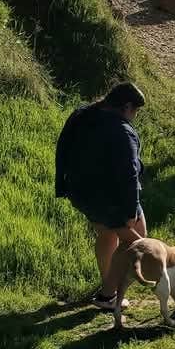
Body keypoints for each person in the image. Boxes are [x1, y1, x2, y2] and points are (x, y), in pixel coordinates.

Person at [55, 82, 148, 311]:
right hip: (110, 199)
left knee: (107, 234)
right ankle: (108, 295)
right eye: (135, 111)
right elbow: (129, 175)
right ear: (126, 106)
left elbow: (62, 148)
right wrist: (129, 212)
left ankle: (109, 286)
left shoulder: (82, 114)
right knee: (138, 242)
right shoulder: (122, 131)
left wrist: (62, 185)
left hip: (81, 193)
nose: (134, 116)